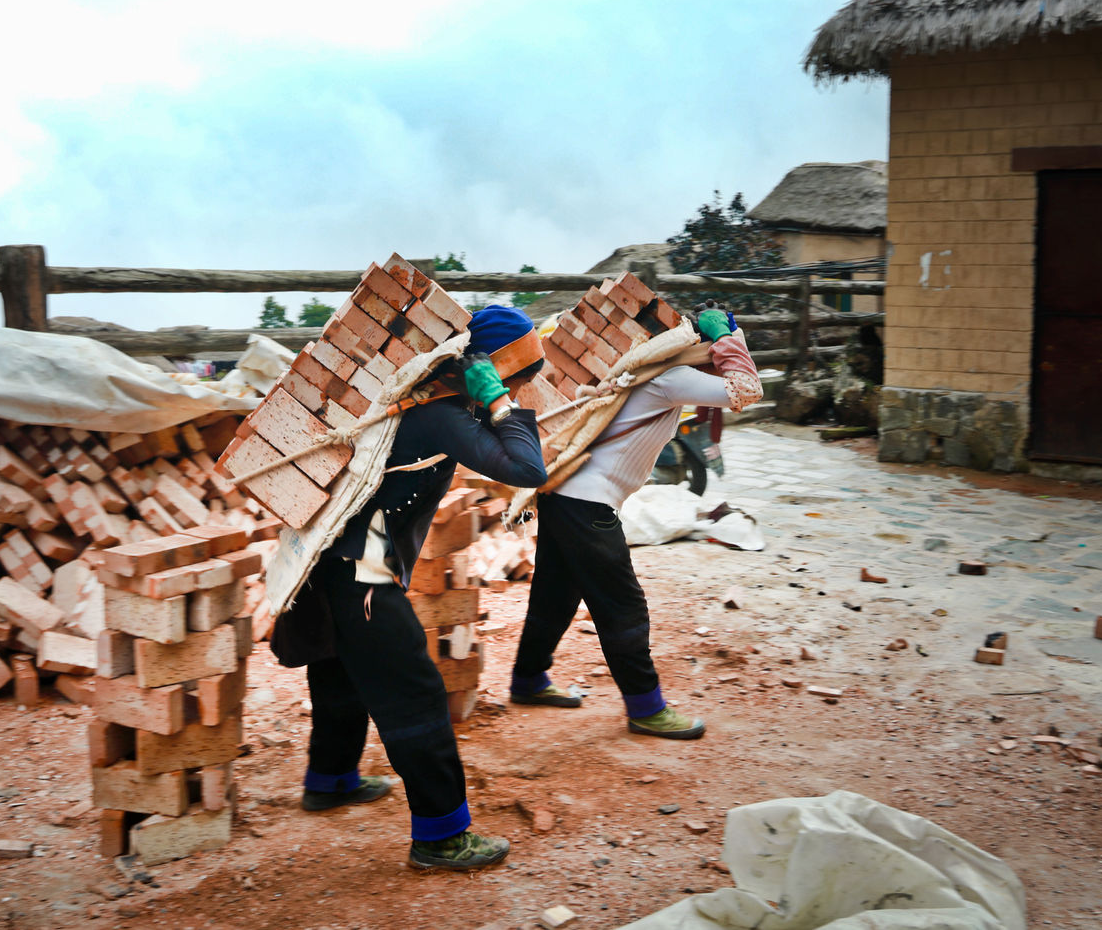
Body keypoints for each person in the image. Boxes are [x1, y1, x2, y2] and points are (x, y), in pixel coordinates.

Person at [270, 304, 547, 870]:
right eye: (518, 374)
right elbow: (527, 470)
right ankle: (443, 836)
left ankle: (330, 780)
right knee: (415, 695)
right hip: (365, 568)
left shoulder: (418, 406)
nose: (523, 386)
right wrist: (500, 403)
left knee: (341, 675)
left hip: (332, 561)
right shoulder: (442, 416)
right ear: (490, 368)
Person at [509, 306, 762, 739]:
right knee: (623, 608)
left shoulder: (650, 370)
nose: (718, 358)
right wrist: (729, 340)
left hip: (563, 498)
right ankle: (647, 707)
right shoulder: (669, 378)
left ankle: (529, 680)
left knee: (555, 596)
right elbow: (746, 389)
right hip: (585, 506)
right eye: (715, 350)